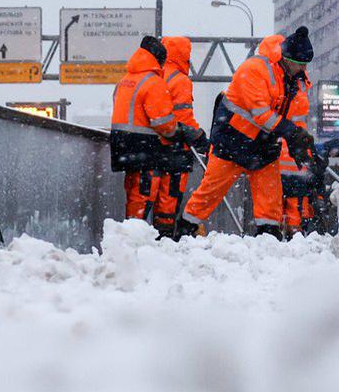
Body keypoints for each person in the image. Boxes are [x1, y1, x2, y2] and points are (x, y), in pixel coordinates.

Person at [178, 27, 316, 239]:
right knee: (210, 191)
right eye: (300, 64)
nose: (304, 68)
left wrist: (300, 143)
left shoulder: (296, 81)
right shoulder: (254, 69)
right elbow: (261, 114)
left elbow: (295, 116)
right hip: (233, 141)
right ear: (286, 59)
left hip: (264, 145)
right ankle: (185, 230)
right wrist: (291, 133)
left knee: (270, 198)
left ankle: (268, 237)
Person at [109, 36, 177, 223]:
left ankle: (129, 226)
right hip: (143, 145)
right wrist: (176, 132)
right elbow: (163, 122)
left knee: (132, 189)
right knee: (144, 191)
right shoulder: (154, 82)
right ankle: (134, 230)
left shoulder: (125, 80)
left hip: (121, 143)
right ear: (159, 59)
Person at [152, 36, 209, 239]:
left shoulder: (156, 74)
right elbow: (183, 117)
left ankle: (154, 233)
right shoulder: (180, 80)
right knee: (170, 195)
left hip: (153, 145)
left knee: (154, 195)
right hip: (175, 148)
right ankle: (166, 236)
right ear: (183, 55)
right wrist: (200, 138)